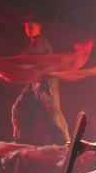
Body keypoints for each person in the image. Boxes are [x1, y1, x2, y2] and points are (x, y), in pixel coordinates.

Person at [11, 17, 71, 146]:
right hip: (34, 83)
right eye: (26, 27)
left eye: (31, 26)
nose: (28, 29)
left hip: (45, 84)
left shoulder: (41, 43)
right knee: (19, 108)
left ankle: (66, 143)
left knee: (53, 115)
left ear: (39, 27)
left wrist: (8, 64)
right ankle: (20, 138)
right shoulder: (33, 43)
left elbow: (25, 57)